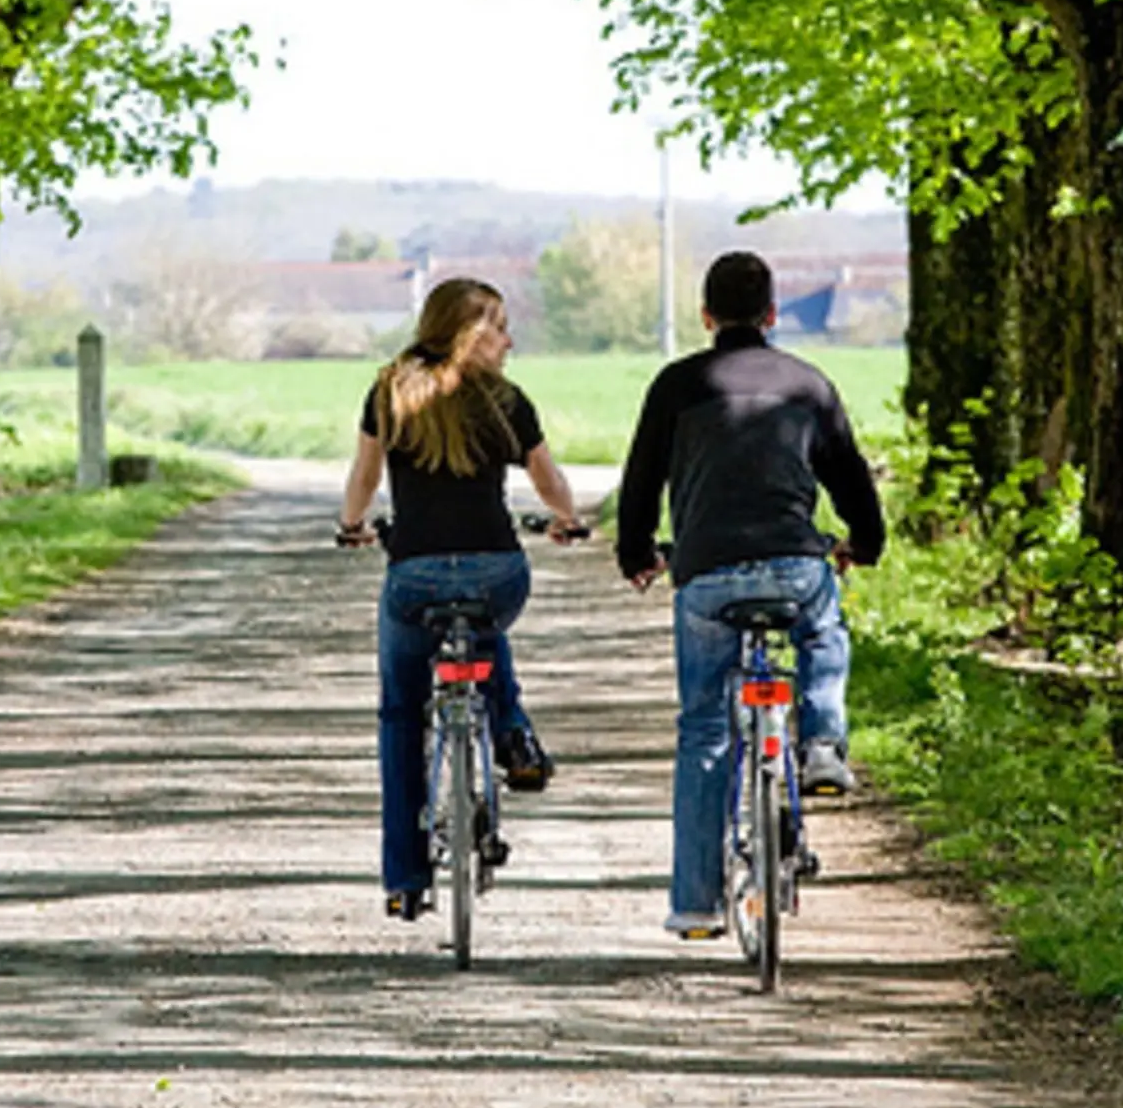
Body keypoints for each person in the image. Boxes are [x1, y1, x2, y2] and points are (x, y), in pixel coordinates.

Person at [616, 250, 885, 940]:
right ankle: (823, 741)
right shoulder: (808, 383)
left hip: (705, 574)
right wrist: (866, 543)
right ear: (772, 315)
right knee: (823, 631)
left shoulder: (675, 385)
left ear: (706, 317)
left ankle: (696, 904)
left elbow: (642, 479)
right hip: (795, 566)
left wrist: (637, 552)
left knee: (705, 729)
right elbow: (850, 478)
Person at [339, 277, 586, 921]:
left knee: (401, 714)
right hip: (498, 570)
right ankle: (511, 731)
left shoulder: (390, 390)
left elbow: (365, 475)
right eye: (498, 327)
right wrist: (568, 518)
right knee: (482, 620)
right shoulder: (505, 401)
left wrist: (351, 525)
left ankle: (403, 877)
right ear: (466, 333)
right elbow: (548, 479)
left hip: (414, 574)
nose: (508, 341)